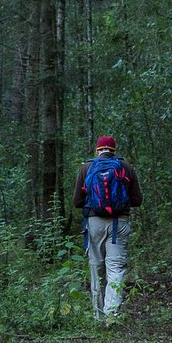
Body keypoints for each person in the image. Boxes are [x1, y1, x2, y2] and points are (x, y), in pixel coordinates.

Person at [73, 135, 142, 323]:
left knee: (96, 266)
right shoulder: (126, 167)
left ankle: (98, 315)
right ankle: (112, 315)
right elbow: (138, 200)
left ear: (97, 150)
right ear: (114, 149)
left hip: (94, 222)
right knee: (116, 268)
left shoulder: (86, 167)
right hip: (119, 222)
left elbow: (77, 202)